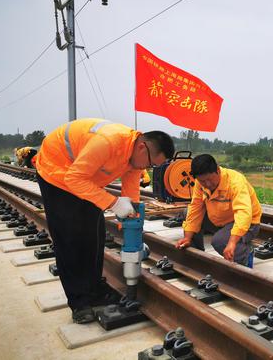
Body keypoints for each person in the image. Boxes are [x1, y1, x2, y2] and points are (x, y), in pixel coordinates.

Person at [34, 118, 174, 324]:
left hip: (84, 178)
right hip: (57, 172)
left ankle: (94, 289)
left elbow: (131, 193)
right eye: (151, 164)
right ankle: (79, 301)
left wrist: (130, 222)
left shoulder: (135, 159)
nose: (149, 168)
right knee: (70, 238)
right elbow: (73, 179)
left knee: (94, 234)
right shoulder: (109, 142)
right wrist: (113, 203)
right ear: (143, 147)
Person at [175, 154, 261, 267]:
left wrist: (232, 242)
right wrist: (187, 237)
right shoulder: (200, 183)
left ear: (217, 170)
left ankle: (243, 256)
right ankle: (197, 257)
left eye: (210, 179)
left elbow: (243, 213)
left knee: (219, 241)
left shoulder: (235, 182)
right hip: (220, 220)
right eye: (203, 181)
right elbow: (196, 208)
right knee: (187, 213)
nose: (207, 184)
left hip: (247, 223)